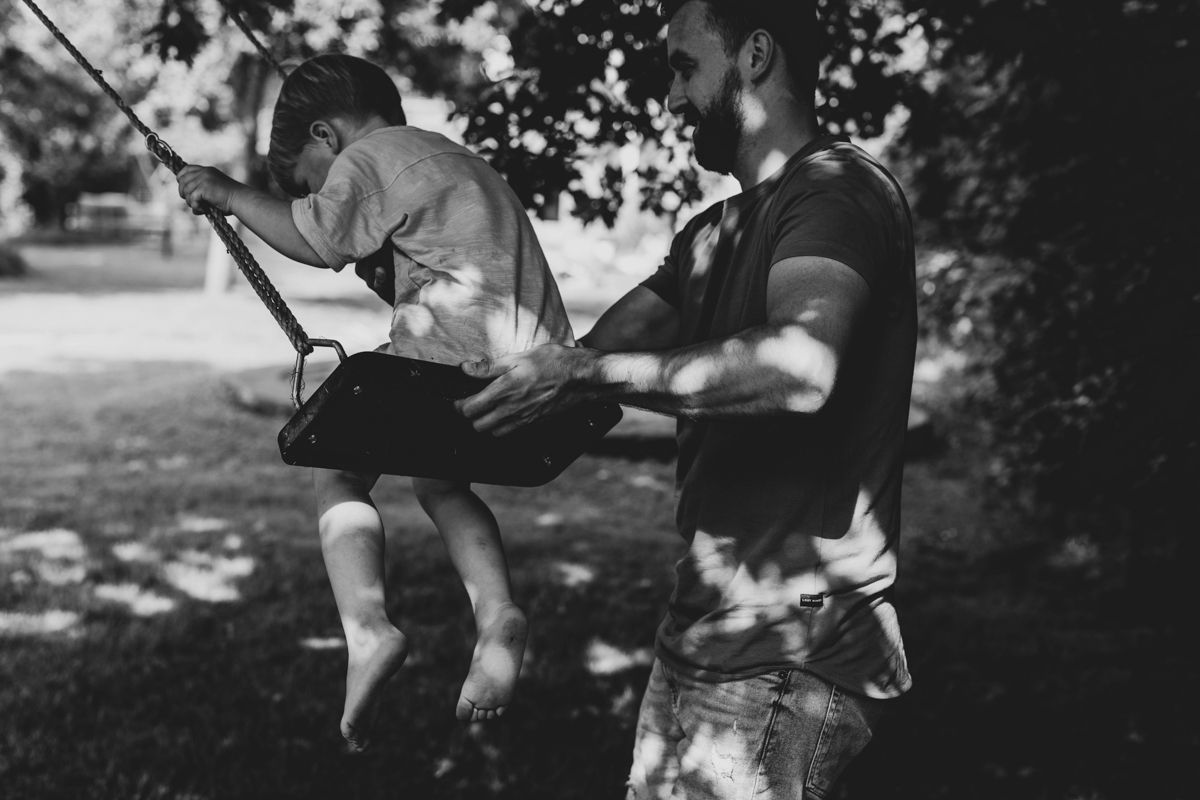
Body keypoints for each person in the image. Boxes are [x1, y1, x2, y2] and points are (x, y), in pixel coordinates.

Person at [457, 1, 916, 797]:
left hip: (792, 646)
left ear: (756, 55)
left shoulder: (836, 192)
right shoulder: (708, 236)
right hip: (700, 631)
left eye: (682, 67)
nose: (668, 99)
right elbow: (576, 359)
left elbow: (800, 366)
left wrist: (584, 376)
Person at [177, 53, 575, 750]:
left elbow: (314, 238)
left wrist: (230, 194)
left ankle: (367, 630)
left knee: (339, 471)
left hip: (456, 350)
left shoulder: (370, 156)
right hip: (530, 363)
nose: (320, 196)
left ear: (327, 137)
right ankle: (497, 614)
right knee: (441, 482)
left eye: (311, 184)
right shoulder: (449, 157)